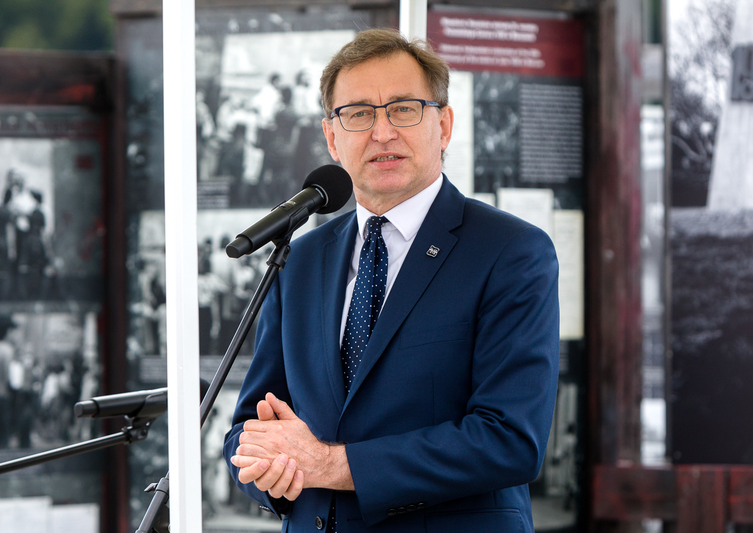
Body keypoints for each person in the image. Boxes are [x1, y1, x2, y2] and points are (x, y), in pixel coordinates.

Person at [223, 28, 559, 533]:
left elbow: (510, 439)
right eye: (359, 114)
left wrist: (331, 465)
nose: (382, 132)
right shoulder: (300, 258)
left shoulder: (511, 251)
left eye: (403, 109)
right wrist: (268, 468)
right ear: (332, 138)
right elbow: (250, 426)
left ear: (443, 126)